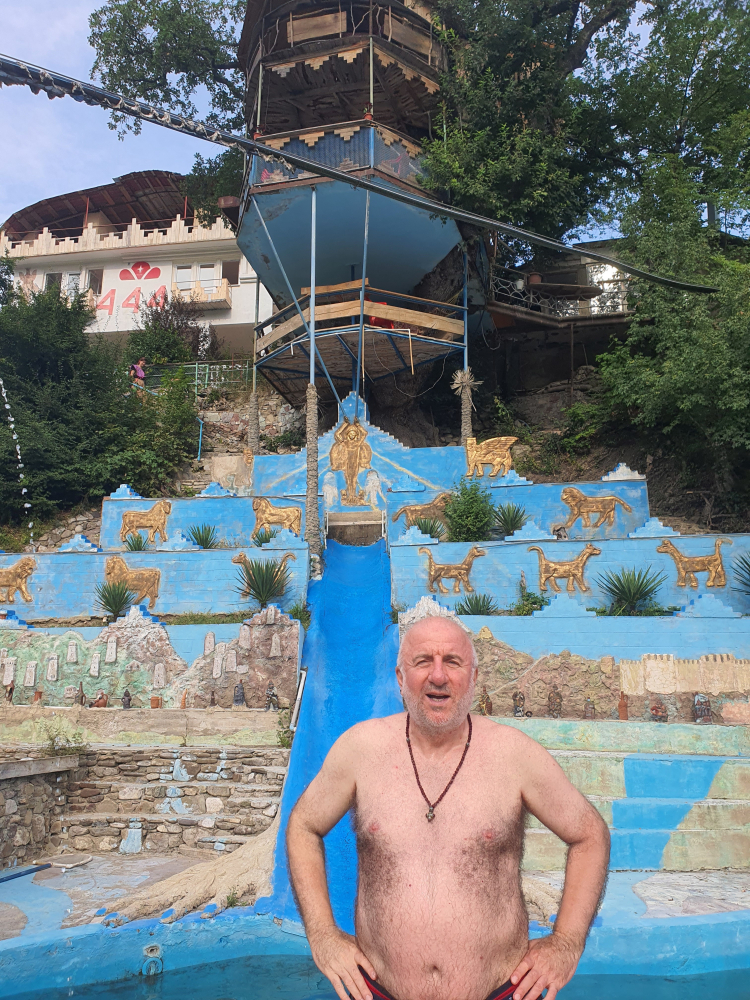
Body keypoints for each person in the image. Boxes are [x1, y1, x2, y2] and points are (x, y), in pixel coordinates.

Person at [286, 616, 610, 1000]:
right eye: (423, 661)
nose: (438, 676)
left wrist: (566, 942)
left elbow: (589, 834)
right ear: (400, 677)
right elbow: (303, 825)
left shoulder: (515, 755)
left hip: (501, 992)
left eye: (452, 662)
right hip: (378, 991)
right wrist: (323, 935)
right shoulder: (361, 749)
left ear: (474, 677)